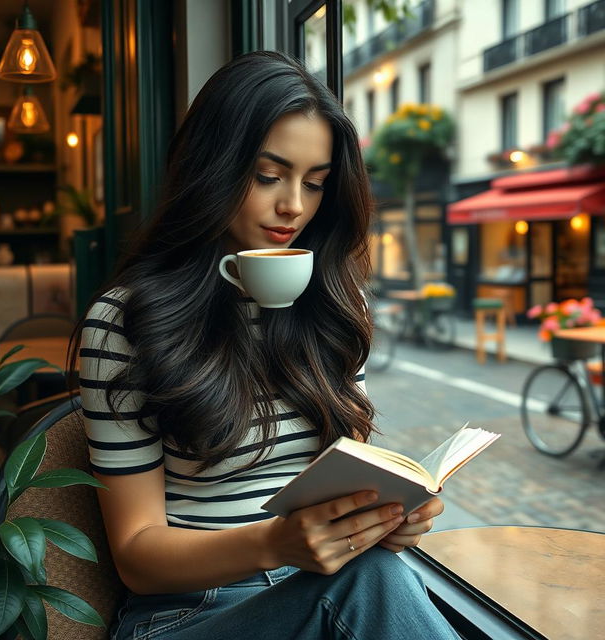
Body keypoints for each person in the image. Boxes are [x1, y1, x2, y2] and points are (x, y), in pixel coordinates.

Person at [73, 50, 459, 640]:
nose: (294, 207)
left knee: (379, 569)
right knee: (369, 583)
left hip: (318, 590)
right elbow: (136, 555)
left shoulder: (333, 305)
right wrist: (275, 542)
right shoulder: (126, 321)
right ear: (214, 167)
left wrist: (386, 519)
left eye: (316, 183)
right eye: (267, 175)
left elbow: (351, 474)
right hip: (185, 616)